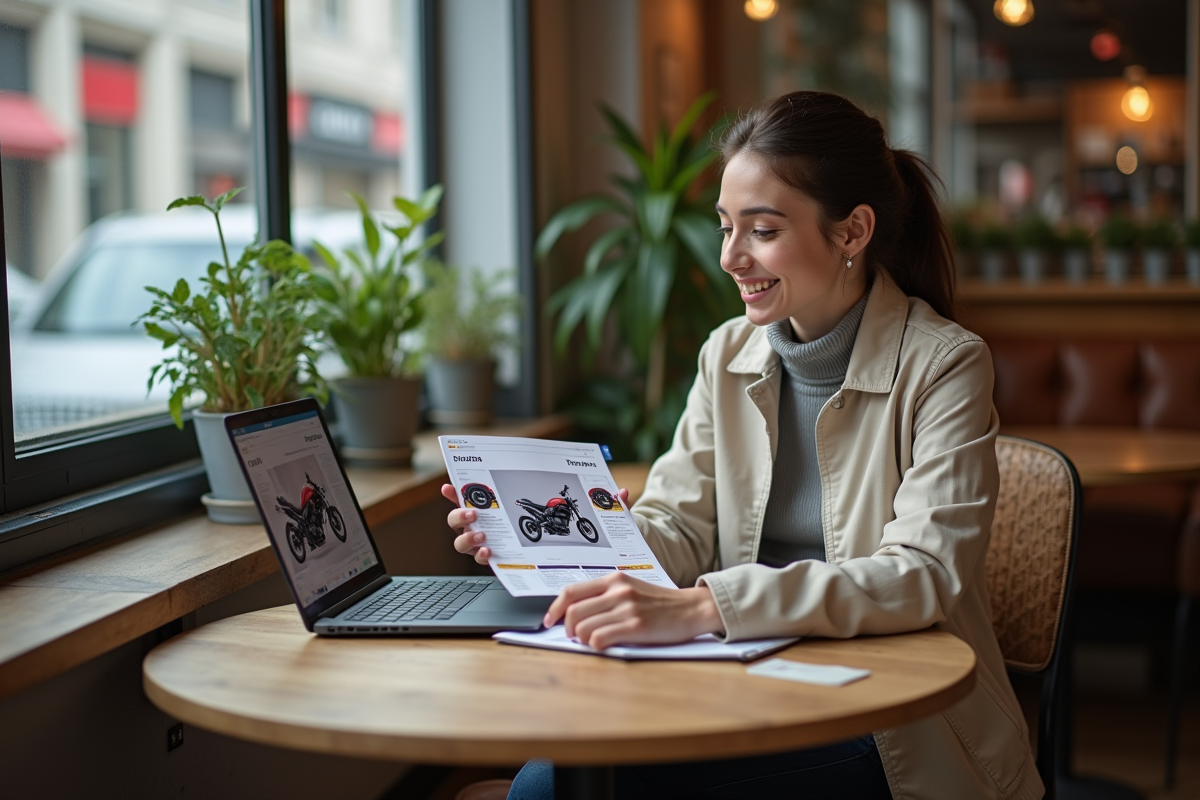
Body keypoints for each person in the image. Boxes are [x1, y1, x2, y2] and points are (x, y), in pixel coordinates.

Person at [443, 91, 1041, 800]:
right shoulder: (726, 352)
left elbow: (921, 575)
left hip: (894, 725)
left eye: (761, 230)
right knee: (554, 782)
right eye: (726, 227)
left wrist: (704, 607)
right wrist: (557, 539)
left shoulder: (944, 362)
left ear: (852, 232)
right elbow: (677, 524)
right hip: (742, 684)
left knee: (552, 791)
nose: (730, 257)